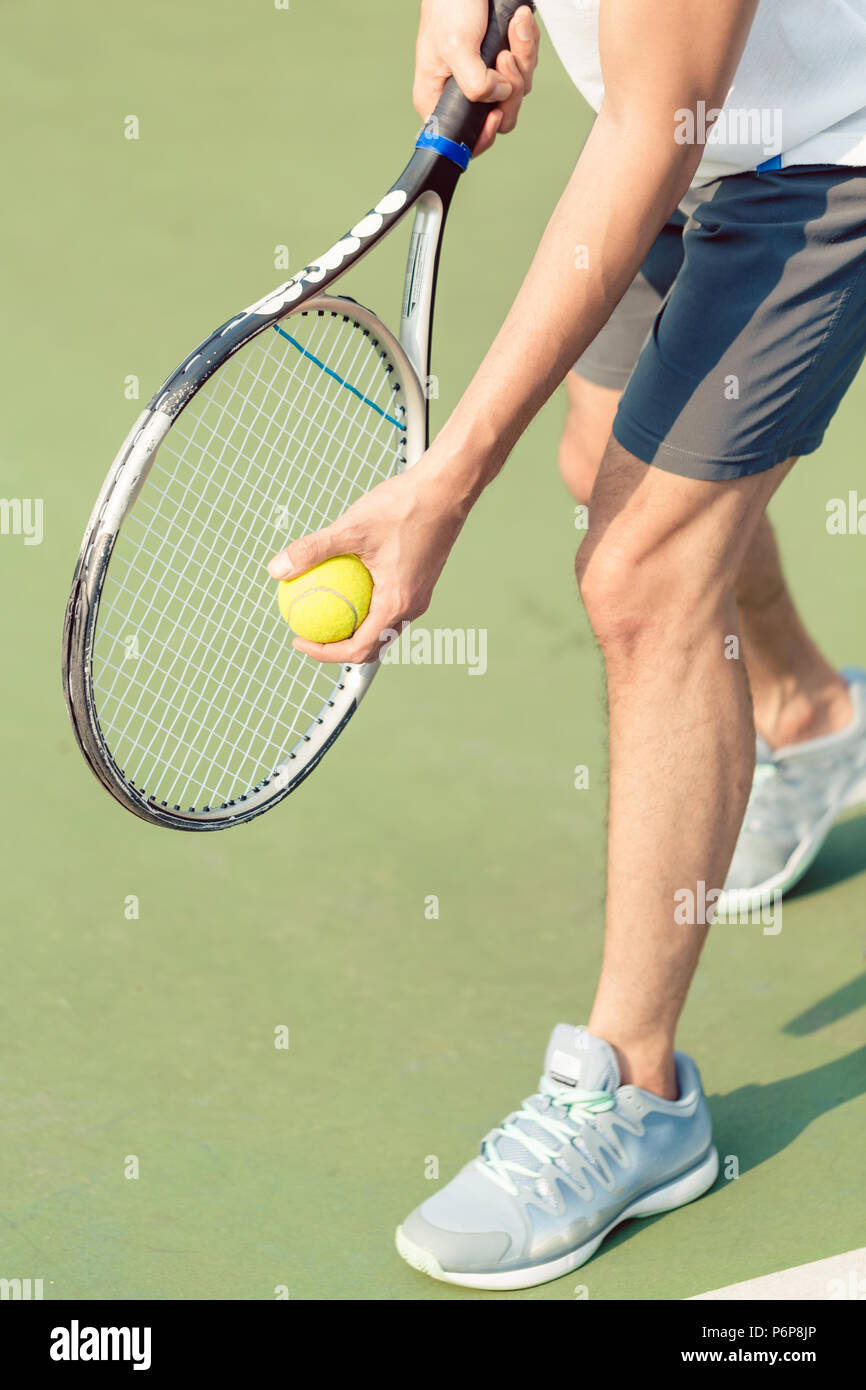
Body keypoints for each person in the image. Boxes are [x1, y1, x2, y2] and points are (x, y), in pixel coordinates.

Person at [268, 0, 866, 1289]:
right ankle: (814, 718)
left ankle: (639, 1093)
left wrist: (443, 483)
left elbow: (656, 120)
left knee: (642, 580)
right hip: (688, 118)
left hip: (824, 146)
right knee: (604, 463)